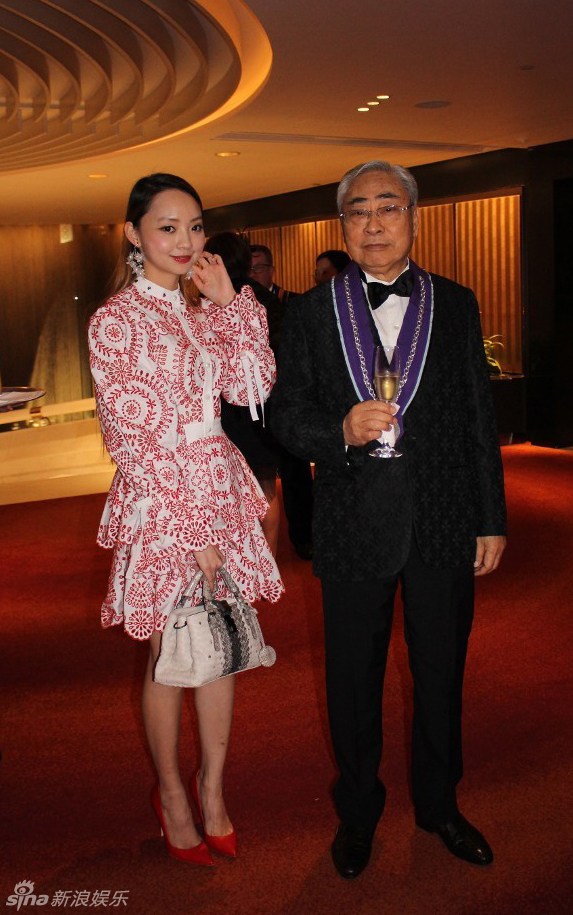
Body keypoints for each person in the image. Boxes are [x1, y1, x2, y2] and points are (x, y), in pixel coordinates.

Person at [271, 160, 507, 878]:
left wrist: (491, 516)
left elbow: (477, 416)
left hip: (443, 516)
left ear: (413, 217)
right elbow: (286, 416)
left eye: (388, 207)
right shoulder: (310, 313)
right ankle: (358, 814)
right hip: (351, 521)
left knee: (441, 673)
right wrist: (338, 430)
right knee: (352, 681)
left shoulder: (456, 303)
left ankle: (440, 805)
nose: (374, 223)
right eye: (359, 211)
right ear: (342, 224)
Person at [88, 174, 283, 866]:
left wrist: (232, 305)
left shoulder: (203, 312)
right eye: (167, 226)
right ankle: (172, 794)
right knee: (171, 654)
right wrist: (191, 530)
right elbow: (129, 440)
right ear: (134, 234)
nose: (184, 241)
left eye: (194, 226)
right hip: (162, 500)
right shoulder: (115, 320)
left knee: (219, 641)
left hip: (219, 485)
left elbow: (252, 389)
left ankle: (213, 789)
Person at [204, 231, 282, 555]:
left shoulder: (217, 300)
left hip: (233, 411)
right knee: (265, 488)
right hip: (262, 409)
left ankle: (260, 562)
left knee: (250, 493)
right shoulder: (260, 296)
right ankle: (269, 560)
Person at [248, 243, 314, 559]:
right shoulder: (232, 306)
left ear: (272, 270)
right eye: (248, 269)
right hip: (250, 408)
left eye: (259, 268)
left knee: (295, 473)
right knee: (257, 478)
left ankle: (305, 537)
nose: (253, 275)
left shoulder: (294, 303)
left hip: (287, 401)